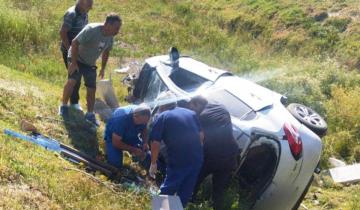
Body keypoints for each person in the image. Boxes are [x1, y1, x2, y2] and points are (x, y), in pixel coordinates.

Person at [59, 13, 121, 126]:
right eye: (116, 28)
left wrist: (102, 68)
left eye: (119, 28)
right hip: (76, 57)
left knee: (91, 89)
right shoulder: (91, 29)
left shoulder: (110, 37)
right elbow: (74, 42)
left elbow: (106, 51)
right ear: (108, 24)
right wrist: (73, 63)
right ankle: (63, 106)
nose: (118, 31)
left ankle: (90, 114)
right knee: (72, 81)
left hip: (89, 63)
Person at [149, 101, 203, 207]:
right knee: (186, 189)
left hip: (179, 157)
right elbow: (201, 136)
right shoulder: (190, 113)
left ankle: (162, 208)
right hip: (197, 157)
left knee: (169, 186)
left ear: (162, 105)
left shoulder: (163, 116)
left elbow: (155, 142)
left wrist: (153, 163)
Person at [189, 96, 239, 210]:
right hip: (230, 155)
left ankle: (187, 203)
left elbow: (197, 139)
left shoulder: (202, 117)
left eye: (192, 108)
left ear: (197, 104)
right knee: (219, 192)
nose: (192, 111)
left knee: (194, 180)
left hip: (212, 156)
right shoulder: (220, 107)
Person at [60, 0, 93, 111]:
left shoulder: (84, 13)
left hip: (79, 51)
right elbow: (63, 32)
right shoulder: (72, 14)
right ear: (82, 2)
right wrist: (70, 49)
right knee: (74, 77)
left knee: (76, 77)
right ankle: (71, 104)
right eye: (89, 4)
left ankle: (74, 103)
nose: (91, 7)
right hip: (70, 50)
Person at [104, 104, 151, 169]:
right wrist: (134, 150)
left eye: (145, 122)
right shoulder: (122, 117)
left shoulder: (143, 116)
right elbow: (116, 142)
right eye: (141, 122)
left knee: (148, 155)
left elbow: (144, 129)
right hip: (113, 138)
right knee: (115, 165)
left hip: (131, 135)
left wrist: (145, 142)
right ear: (135, 116)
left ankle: (143, 164)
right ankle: (108, 149)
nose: (143, 124)